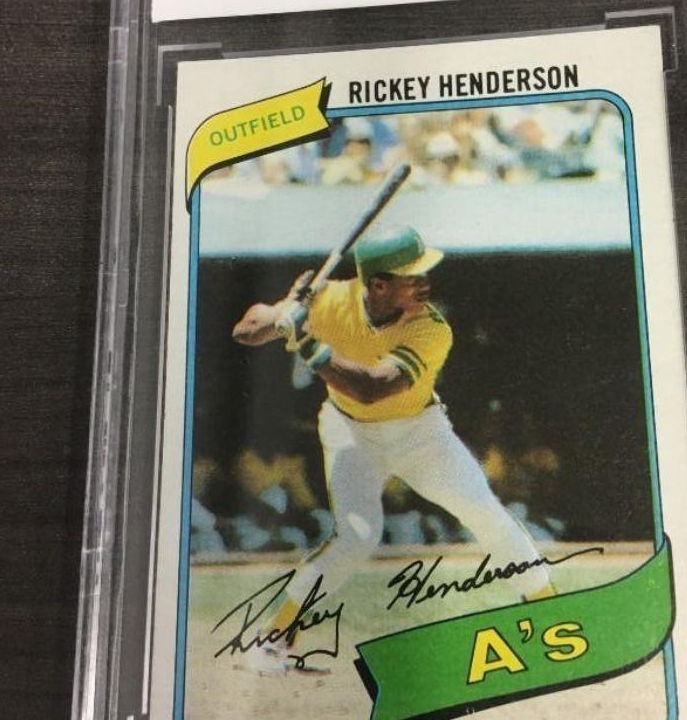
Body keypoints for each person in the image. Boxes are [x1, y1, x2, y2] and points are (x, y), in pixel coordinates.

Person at [231, 224, 555, 673]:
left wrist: (306, 342)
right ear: (380, 285)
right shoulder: (329, 300)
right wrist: (283, 313)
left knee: (485, 512)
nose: (425, 283)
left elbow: (372, 388)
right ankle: (274, 640)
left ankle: (554, 619)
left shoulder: (430, 328)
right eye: (412, 277)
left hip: (420, 432)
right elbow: (245, 331)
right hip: (349, 432)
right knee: (356, 538)